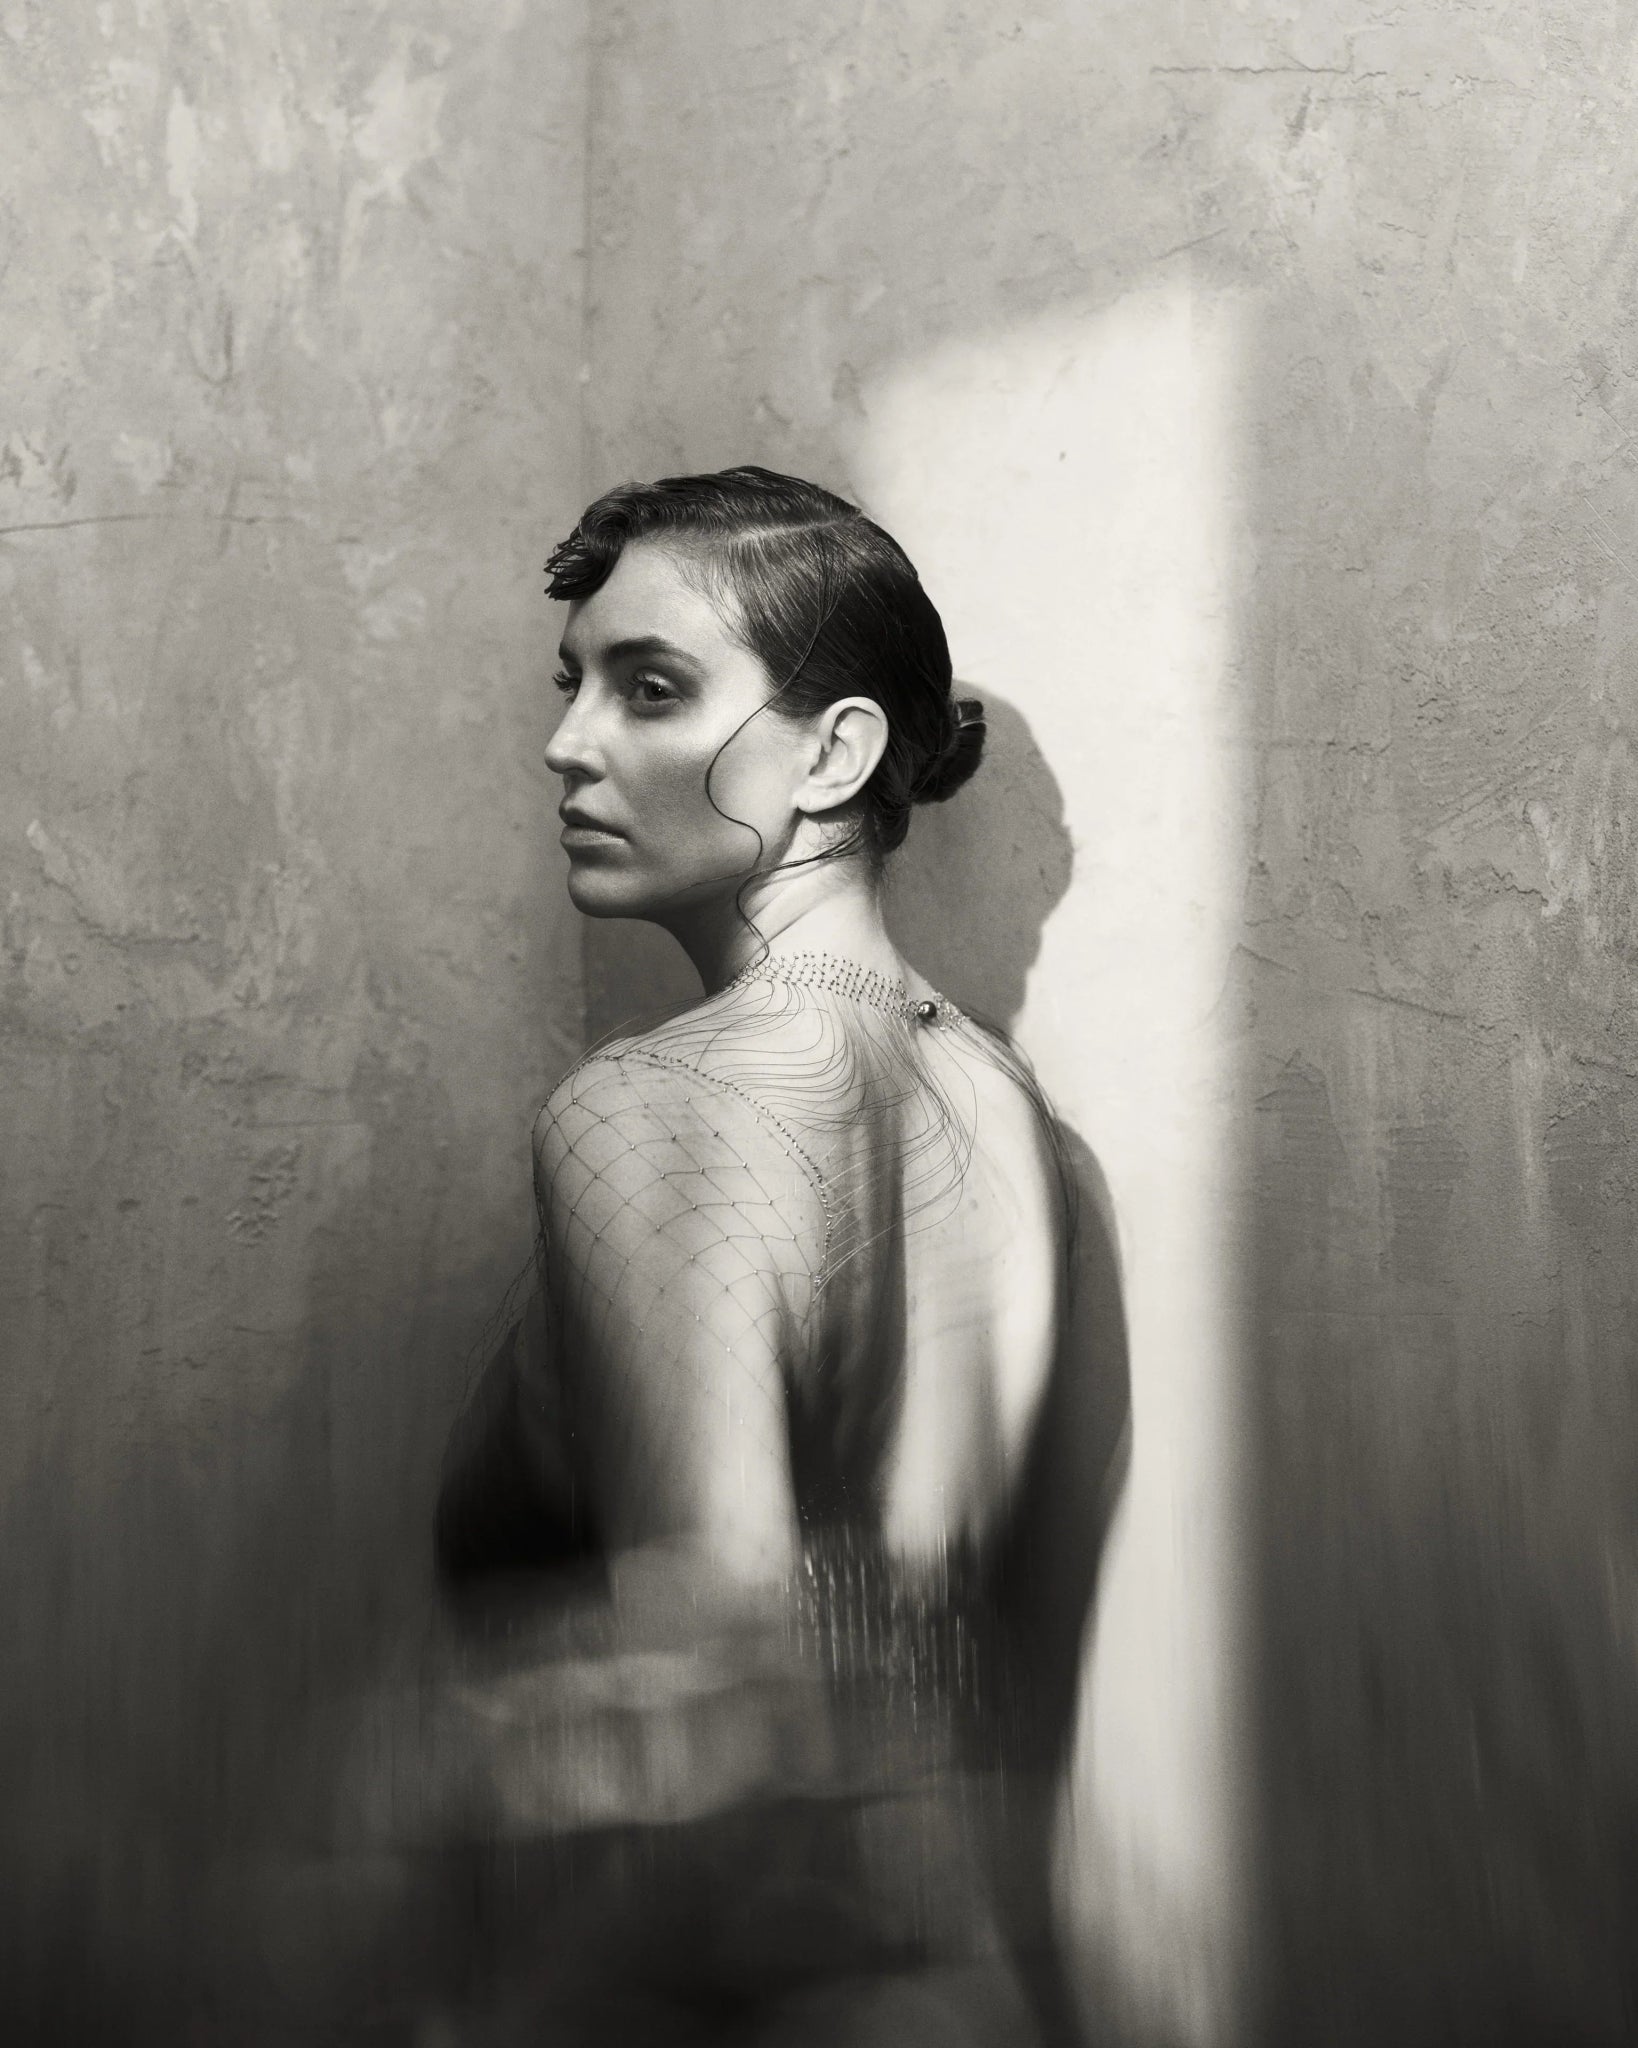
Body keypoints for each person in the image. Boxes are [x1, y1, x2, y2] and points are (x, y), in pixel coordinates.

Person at [428, 466, 1086, 2044]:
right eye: (573, 683)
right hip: (970, 1973)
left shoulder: (649, 1108)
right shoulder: (996, 1104)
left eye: (650, 689)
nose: (568, 742)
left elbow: (719, 1717)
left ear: (837, 749)